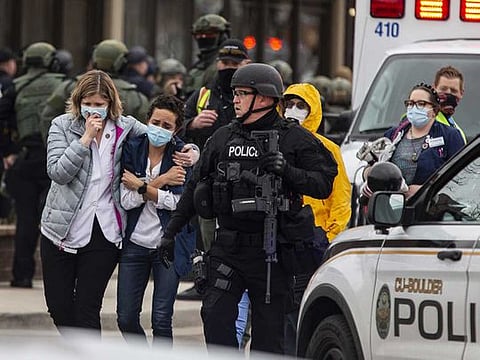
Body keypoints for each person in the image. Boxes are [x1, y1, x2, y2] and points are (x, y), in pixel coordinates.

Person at [158, 63, 338, 354]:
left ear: (265, 98)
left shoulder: (294, 138)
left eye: (242, 94)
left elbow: (323, 184)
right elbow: (195, 187)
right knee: (215, 319)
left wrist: (287, 170)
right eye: (235, 94)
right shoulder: (223, 137)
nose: (235, 100)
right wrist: (171, 232)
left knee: (269, 338)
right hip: (228, 247)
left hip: (272, 253)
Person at [39, 69, 147, 335]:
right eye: (88, 103)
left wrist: (190, 150)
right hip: (61, 229)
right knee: (59, 307)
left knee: (87, 308)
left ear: (110, 103)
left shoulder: (125, 127)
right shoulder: (62, 126)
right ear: (78, 102)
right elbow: (58, 172)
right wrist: (85, 139)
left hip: (104, 232)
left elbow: (161, 141)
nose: (94, 110)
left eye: (99, 104)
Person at [116, 94, 196, 346]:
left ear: (176, 130)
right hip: (135, 244)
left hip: (168, 246)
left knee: (161, 319)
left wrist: (140, 187)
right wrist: (159, 183)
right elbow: (126, 201)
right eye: (155, 122)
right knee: (126, 318)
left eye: (166, 126)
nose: (159, 129)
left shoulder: (182, 155)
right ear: (147, 120)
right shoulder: (133, 148)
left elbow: (179, 204)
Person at [177, 38, 250, 301]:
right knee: (202, 227)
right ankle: (202, 279)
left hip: (244, 175)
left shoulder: (251, 94)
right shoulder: (203, 94)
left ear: (246, 64)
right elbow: (175, 124)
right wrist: (193, 123)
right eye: (224, 62)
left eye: (234, 63)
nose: (227, 67)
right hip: (207, 174)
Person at [281, 82, 352, 355]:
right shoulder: (274, 140)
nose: (293, 110)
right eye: (289, 104)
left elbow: (341, 198)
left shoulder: (327, 149)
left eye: (301, 106)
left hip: (312, 240)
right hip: (279, 238)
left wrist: (329, 237)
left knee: (301, 309)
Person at [1, 42, 66, 288]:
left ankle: (22, 276)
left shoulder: (16, 86)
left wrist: (9, 151)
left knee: (26, 221)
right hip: (58, 158)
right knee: (60, 221)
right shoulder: (64, 84)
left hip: (26, 158)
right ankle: (59, 279)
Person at [362, 83, 464, 199]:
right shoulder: (393, 134)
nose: (414, 108)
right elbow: (369, 168)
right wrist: (370, 175)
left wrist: (424, 190)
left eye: (421, 104)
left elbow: (461, 179)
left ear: (434, 110)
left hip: (428, 208)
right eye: (410, 104)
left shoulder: (450, 136)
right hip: (390, 209)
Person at [40, 39, 150, 143]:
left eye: (99, 104)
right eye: (87, 103)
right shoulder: (136, 97)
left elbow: (48, 117)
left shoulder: (68, 87)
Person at [184, 14, 231, 95]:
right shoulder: (197, 68)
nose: (203, 37)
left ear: (223, 36)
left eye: (209, 34)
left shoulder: (228, 64)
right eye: (199, 35)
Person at [432, 65, 467, 142]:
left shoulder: (454, 125)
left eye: (453, 91)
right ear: (434, 89)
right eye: (443, 89)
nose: (448, 93)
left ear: (461, 94)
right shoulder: (425, 119)